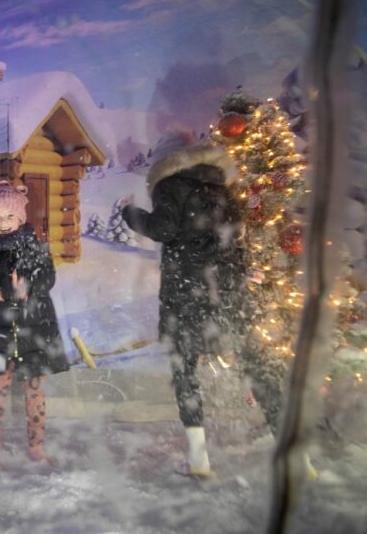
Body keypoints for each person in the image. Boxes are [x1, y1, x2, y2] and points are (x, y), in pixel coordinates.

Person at [122, 131, 248, 477]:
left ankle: (198, 458)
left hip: (185, 294)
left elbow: (162, 228)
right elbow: (236, 232)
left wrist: (130, 213)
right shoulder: (222, 187)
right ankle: (296, 455)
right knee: (246, 360)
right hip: (222, 291)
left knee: (185, 371)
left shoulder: (170, 184)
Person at [0, 180, 70, 466]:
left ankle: (36, 445)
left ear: (21, 218)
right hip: (1, 330)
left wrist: (28, 286)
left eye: (9, 216)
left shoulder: (35, 246)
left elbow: (48, 277)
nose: (3, 223)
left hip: (34, 330)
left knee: (34, 389)